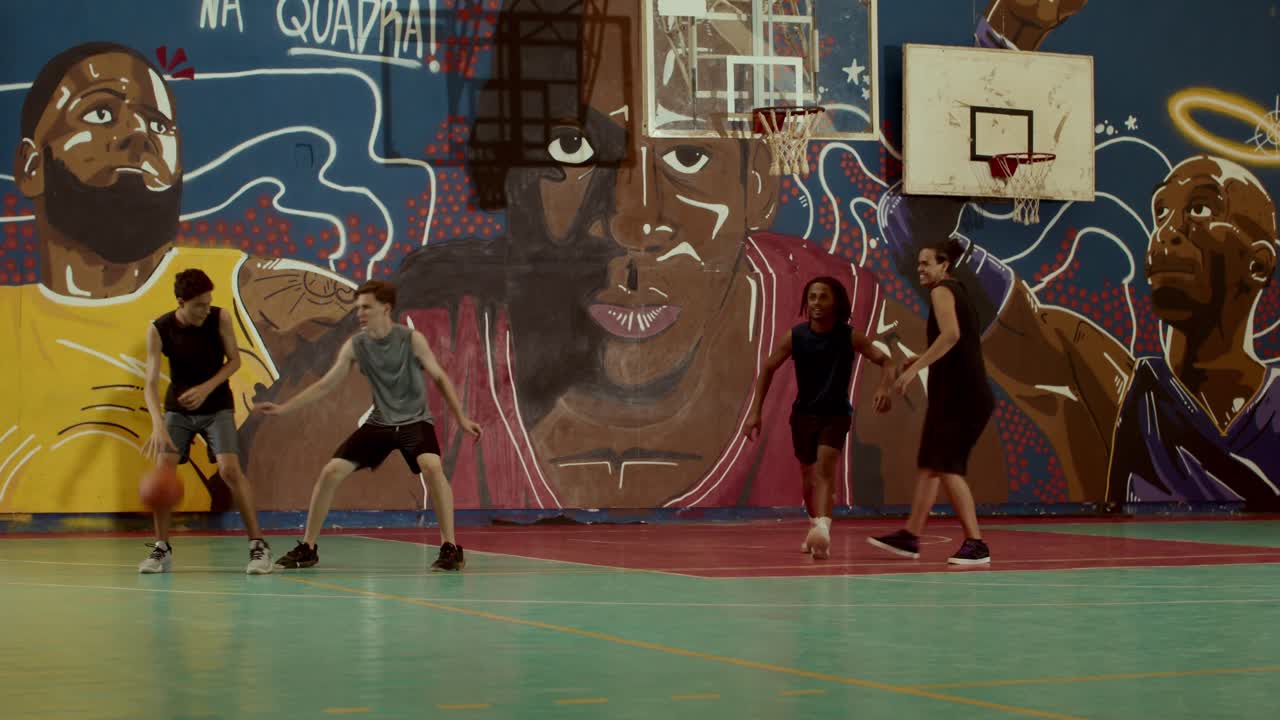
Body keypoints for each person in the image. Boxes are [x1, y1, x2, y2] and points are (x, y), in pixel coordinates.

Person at [256, 280, 482, 572]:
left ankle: (450, 548)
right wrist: (284, 408)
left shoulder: (411, 340)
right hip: (381, 423)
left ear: (385, 308)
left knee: (432, 466)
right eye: (358, 307)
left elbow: (439, 376)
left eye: (366, 307)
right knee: (331, 472)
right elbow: (327, 384)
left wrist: (461, 418)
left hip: (414, 421)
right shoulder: (357, 345)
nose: (360, 312)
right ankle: (308, 547)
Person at [744, 276, 895, 559]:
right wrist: (755, 413)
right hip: (803, 415)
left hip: (835, 414)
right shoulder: (796, 336)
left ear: (835, 302)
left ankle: (824, 530)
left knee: (825, 468)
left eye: (823, 297)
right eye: (812, 297)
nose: (816, 302)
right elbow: (767, 368)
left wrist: (884, 387)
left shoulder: (850, 336)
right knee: (808, 476)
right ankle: (815, 525)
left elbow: (885, 361)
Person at [868, 240, 996, 565]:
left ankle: (976, 543)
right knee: (930, 465)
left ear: (944, 265)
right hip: (958, 394)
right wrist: (920, 362)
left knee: (947, 466)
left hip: (962, 396)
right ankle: (911, 536)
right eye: (919, 263)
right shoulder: (957, 292)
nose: (920, 269)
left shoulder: (942, 291)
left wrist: (916, 371)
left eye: (926, 263)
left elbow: (951, 335)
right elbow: (961, 342)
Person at [140, 269, 272, 574]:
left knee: (229, 470)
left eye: (208, 302)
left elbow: (235, 361)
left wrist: (205, 388)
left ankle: (258, 546)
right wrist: (158, 425)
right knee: (163, 473)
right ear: (181, 302)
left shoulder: (220, 318)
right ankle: (162, 549)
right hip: (178, 411)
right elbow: (149, 384)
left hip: (216, 407)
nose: (205, 309)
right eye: (198, 304)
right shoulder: (159, 329)